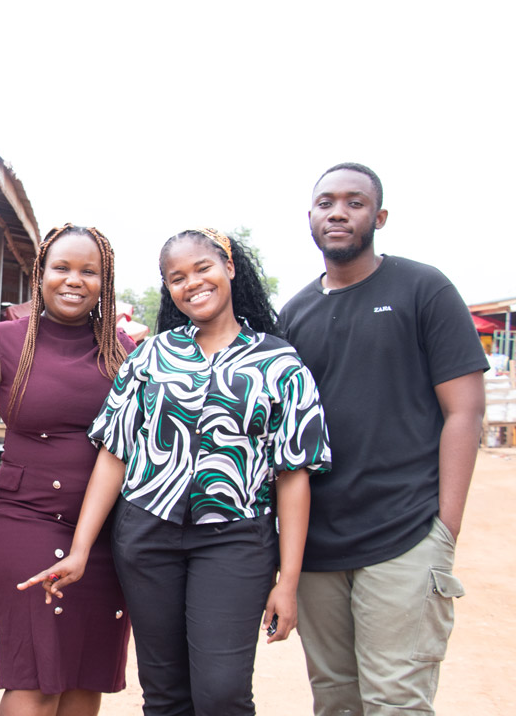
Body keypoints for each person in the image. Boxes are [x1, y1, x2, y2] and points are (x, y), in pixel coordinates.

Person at [22, 228, 331, 715]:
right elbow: (114, 453)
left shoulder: (280, 363)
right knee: (164, 694)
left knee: (222, 692)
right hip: (146, 537)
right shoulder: (152, 356)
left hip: (235, 540)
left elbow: (294, 475)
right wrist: (81, 548)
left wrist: (287, 581)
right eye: (177, 278)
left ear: (229, 267)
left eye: (202, 269)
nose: (192, 284)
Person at [280, 163, 487, 716]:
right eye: (326, 203)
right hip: (320, 546)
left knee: (395, 701)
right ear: (310, 217)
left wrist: (445, 527)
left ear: (380, 216)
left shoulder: (423, 288)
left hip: (405, 533)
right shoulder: (295, 314)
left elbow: (464, 412)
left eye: (354, 202)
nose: (339, 213)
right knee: (336, 701)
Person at [0, 224, 133, 715]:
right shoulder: (2, 341)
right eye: (62, 268)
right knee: (36, 674)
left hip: (104, 534)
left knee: (82, 673)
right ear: (41, 274)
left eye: (88, 271)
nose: (74, 280)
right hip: (26, 519)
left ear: (104, 281)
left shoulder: (122, 351)